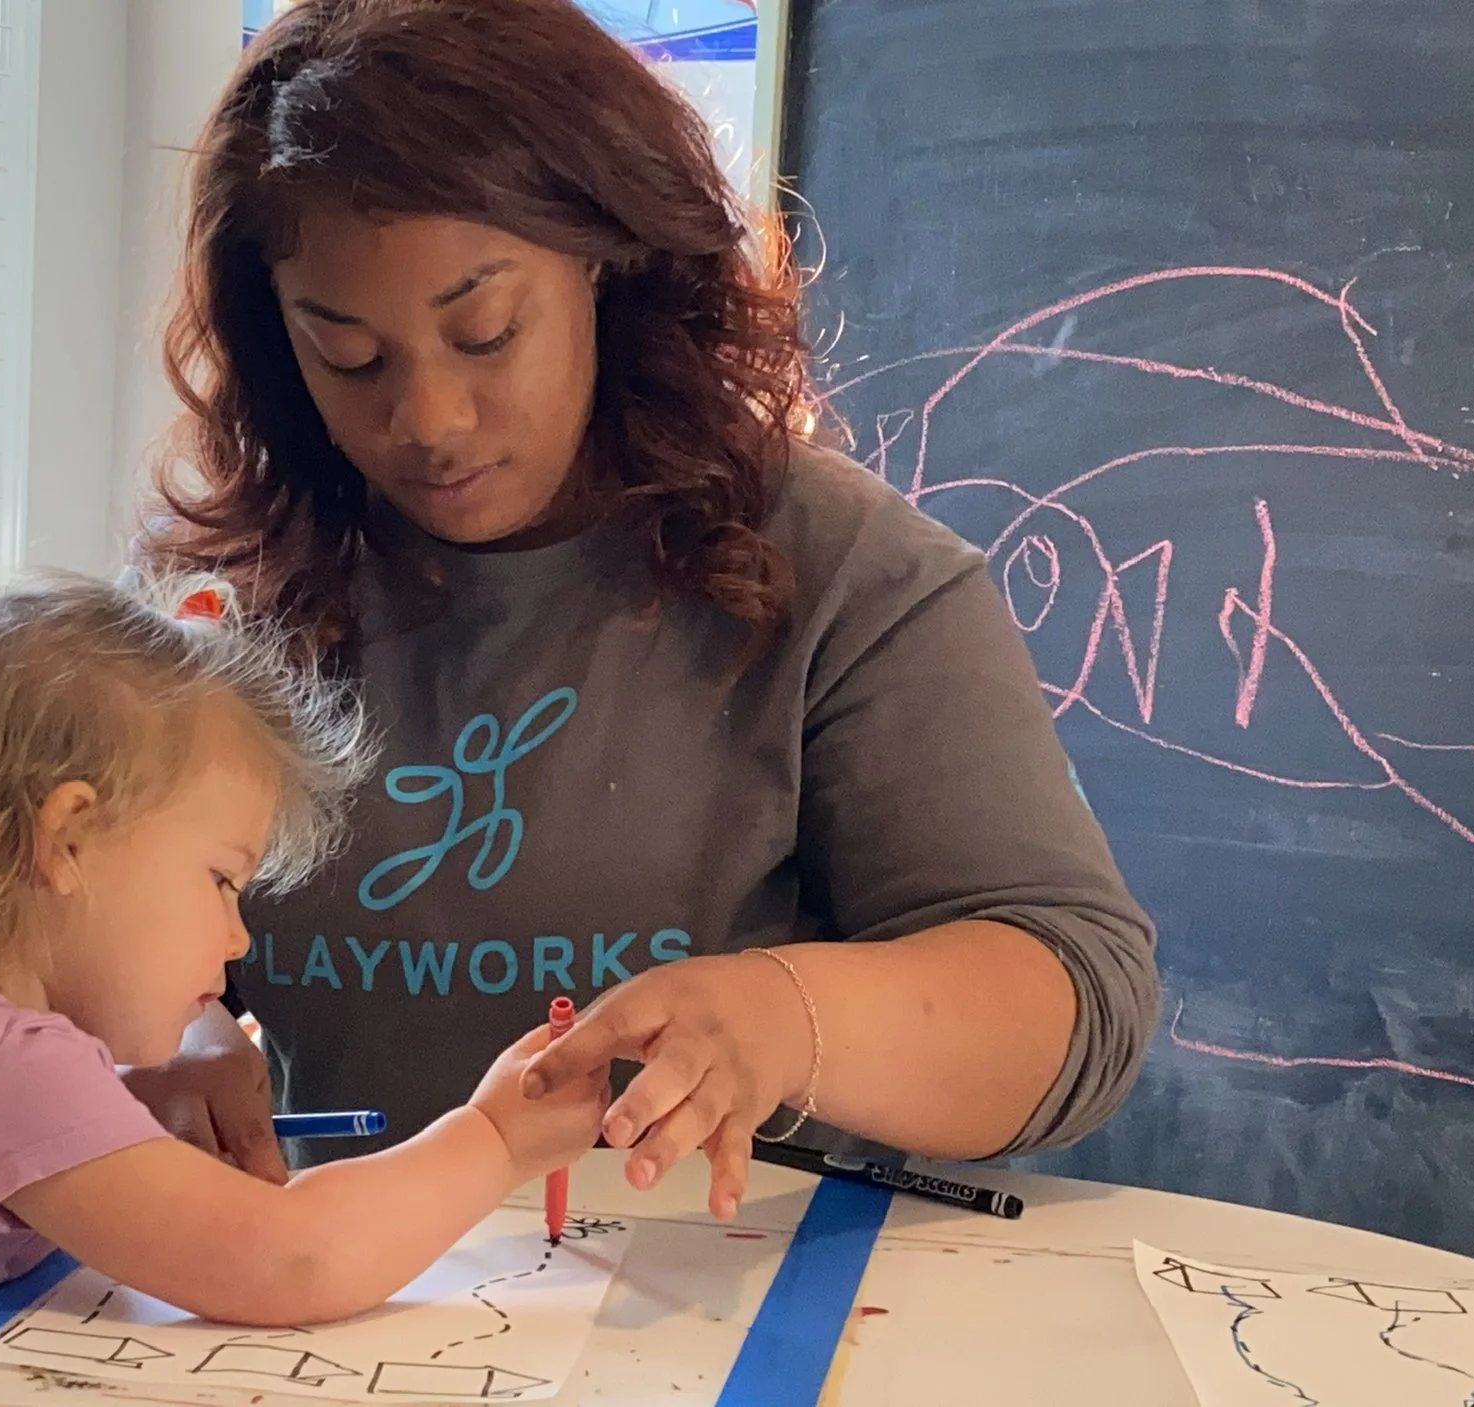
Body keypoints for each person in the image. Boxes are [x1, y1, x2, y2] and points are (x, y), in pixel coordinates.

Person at [131, 0, 1162, 1221]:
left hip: (727, 1312)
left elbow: (1077, 1004)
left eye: (485, 332)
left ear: (609, 268)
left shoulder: (845, 574)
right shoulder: (238, 589)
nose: (428, 422)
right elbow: (89, 924)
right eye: (348, 355)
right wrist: (178, 1030)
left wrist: (788, 1017)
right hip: (346, 1309)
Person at [0, 575, 610, 1407]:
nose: (236, 940)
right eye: (222, 879)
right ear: (68, 840)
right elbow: (292, 1257)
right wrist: (493, 1140)